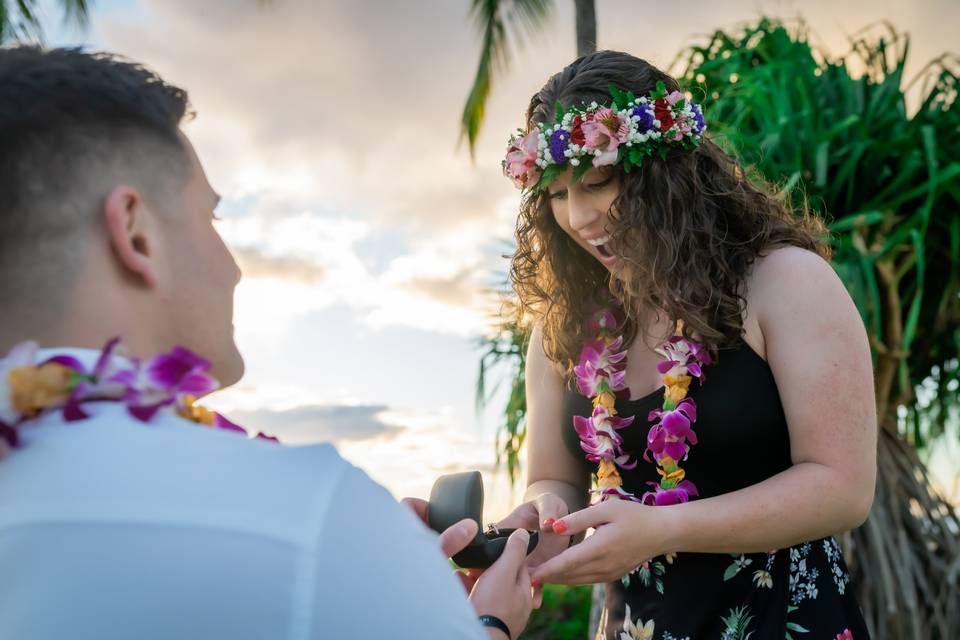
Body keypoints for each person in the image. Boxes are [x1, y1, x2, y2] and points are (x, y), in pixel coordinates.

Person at [0, 46, 531, 640]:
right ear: (135, 232)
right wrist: (482, 622)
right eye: (212, 219)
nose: (233, 268)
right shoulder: (315, 518)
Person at [495, 50, 877, 639]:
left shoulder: (782, 282)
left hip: (786, 623)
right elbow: (554, 480)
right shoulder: (563, 327)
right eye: (555, 194)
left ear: (668, 175)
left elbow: (843, 487)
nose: (578, 216)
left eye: (599, 182)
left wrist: (667, 528)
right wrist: (545, 515)